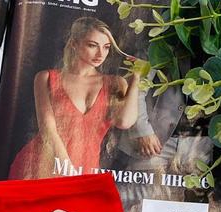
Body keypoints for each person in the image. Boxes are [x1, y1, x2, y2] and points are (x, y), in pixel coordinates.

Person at [8, 17, 140, 179]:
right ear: (74, 44)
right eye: (92, 45)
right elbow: (48, 130)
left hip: (85, 167)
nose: (101, 54)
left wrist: (136, 80)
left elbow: (124, 122)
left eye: (106, 47)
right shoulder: (46, 77)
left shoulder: (115, 83)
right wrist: (68, 171)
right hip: (41, 165)